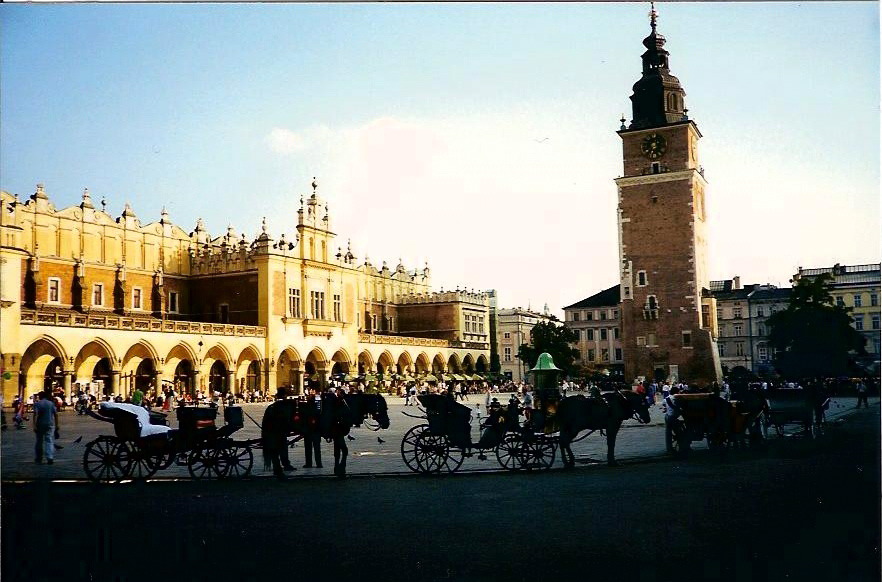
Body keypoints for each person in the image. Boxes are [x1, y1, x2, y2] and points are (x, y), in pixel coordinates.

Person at [33, 391, 59, 464]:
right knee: (49, 441)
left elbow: (35, 415)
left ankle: (39, 458)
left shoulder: (37, 404)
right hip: (50, 424)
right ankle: (50, 457)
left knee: (39, 442)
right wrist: (57, 425)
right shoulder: (51, 403)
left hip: (40, 424)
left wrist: (34, 425)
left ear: (40, 396)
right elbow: (56, 414)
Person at [302, 388, 323, 468]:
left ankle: (309, 463)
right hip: (316, 431)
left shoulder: (307, 409)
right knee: (317, 448)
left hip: (308, 431)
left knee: (308, 448)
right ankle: (319, 463)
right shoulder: (318, 411)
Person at [663, 387, 681, 454]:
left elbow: (664, 405)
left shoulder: (666, 398)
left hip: (667, 416)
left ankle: (669, 448)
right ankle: (683, 446)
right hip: (673, 417)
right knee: (679, 433)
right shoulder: (676, 398)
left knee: (668, 433)